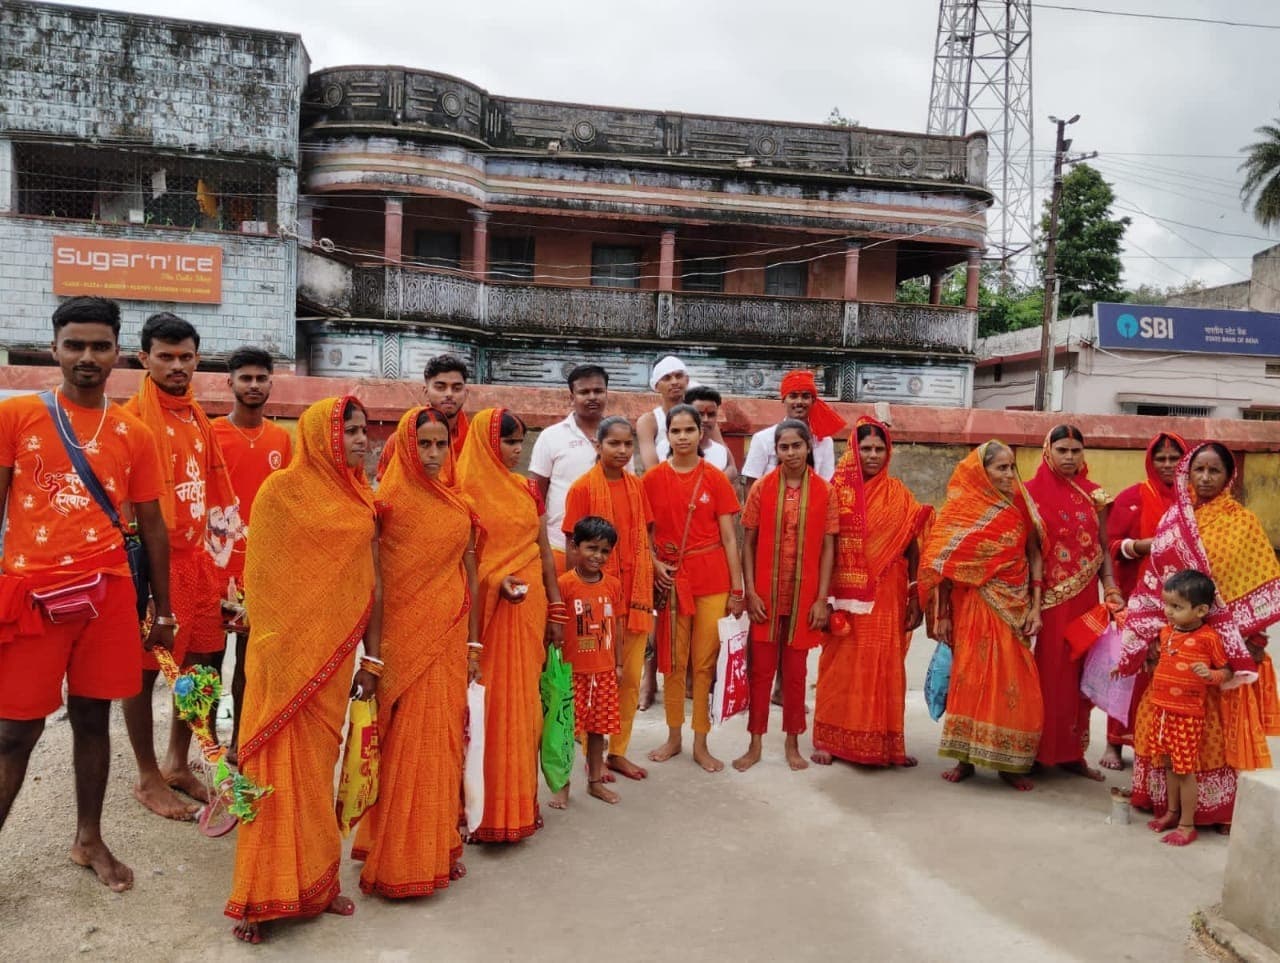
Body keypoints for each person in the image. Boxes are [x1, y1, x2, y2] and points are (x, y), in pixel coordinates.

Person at [0, 296, 173, 893]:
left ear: (117, 353)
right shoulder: (18, 416)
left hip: (107, 596)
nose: (87, 357)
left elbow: (152, 526)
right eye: (74, 344)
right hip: (31, 596)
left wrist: (166, 610)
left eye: (100, 346)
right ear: (54, 349)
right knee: (13, 731)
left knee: (93, 718)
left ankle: (88, 838)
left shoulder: (134, 433)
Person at [225, 396, 383, 944]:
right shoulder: (280, 493)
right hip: (282, 657)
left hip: (335, 657)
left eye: (366, 431)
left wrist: (372, 656)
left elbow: (368, 580)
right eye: (352, 432)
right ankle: (257, 895)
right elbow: (264, 579)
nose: (363, 440)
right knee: (270, 770)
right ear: (322, 436)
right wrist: (277, 653)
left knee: (318, 773)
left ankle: (318, 882)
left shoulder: (363, 496)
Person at [1118, 441, 1280, 832]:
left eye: (1214, 471)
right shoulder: (1173, 519)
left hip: (1224, 645)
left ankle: (1219, 809)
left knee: (1217, 729)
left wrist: (1253, 643)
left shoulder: (1243, 523)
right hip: (1174, 641)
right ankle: (1165, 801)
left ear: (1229, 477)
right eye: (1199, 471)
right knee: (1165, 723)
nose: (1205, 478)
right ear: (1187, 475)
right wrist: (1153, 635)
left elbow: (1257, 582)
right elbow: (1155, 580)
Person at [353, 407, 481, 897]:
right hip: (404, 641)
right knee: (406, 745)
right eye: (423, 444)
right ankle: (399, 862)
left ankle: (437, 845)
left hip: (447, 639)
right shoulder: (387, 502)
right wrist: (375, 653)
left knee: (442, 744)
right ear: (406, 445)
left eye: (440, 445)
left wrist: (471, 640)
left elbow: (464, 568)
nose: (432, 454)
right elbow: (375, 580)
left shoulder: (455, 498)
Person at [123, 313, 243, 820]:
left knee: (202, 666)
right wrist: (144, 586)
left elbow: (215, 498)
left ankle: (178, 761)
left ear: (197, 358)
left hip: (200, 562)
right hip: (155, 566)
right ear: (143, 357)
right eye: (165, 356)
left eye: (185, 357)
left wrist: (227, 565)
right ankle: (148, 775)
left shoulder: (197, 417)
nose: (177, 366)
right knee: (144, 672)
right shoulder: (130, 421)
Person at [456, 407, 563, 842]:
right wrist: (496, 581)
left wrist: (555, 606)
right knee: (487, 710)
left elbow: (543, 550)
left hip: (528, 606)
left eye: (521, 442)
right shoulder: (464, 492)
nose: (517, 450)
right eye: (508, 441)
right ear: (486, 442)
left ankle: (518, 807)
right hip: (487, 614)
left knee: (524, 709)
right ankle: (481, 812)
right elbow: (462, 563)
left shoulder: (528, 490)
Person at [922, 441, 1045, 791]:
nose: (1009, 475)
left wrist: (1035, 606)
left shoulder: (1022, 505)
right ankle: (964, 757)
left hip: (1014, 602)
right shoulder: (962, 509)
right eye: (1001, 468)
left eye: (1011, 468)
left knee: (1016, 681)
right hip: (972, 602)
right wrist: (943, 612)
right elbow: (943, 563)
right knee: (970, 676)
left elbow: (1035, 554)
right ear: (983, 471)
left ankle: (1010, 763)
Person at [812, 417, 933, 768]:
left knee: (885, 665)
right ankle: (829, 739)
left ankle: (885, 741)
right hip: (844, 598)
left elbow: (913, 547)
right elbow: (824, 547)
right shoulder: (835, 491)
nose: (873, 455)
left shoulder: (898, 494)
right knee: (841, 666)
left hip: (888, 594)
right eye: (866, 448)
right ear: (853, 449)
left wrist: (915, 596)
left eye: (880, 449)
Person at [643, 404, 746, 773]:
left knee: (704, 665)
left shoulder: (715, 478)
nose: (683, 437)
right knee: (672, 662)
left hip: (713, 580)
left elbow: (730, 539)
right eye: (676, 431)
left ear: (700, 434)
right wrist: (655, 565)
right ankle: (673, 737)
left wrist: (738, 589)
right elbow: (644, 533)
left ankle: (701, 741)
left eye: (690, 430)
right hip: (671, 581)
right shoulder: (652, 479)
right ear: (666, 436)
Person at [734, 420, 837, 773]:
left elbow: (828, 548)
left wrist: (821, 599)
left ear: (809, 448)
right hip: (766, 595)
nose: (790, 453)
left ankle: (793, 742)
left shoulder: (825, 491)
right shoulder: (762, 488)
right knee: (760, 672)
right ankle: (755, 743)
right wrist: (750, 592)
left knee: (795, 673)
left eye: (797, 446)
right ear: (775, 451)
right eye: (784, 447)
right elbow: (747, 543)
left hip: (804, 597)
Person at [210, 346, 292, 764]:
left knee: (249, 664)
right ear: (230, 382)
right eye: (246, 378)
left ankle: (241, 743)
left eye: (261, 378)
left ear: (271, 383)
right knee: (206, 663)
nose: (254, 385)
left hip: (263, 571)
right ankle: (205, 747)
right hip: (214, 567)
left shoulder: (282, 440)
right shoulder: (210, 435)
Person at [561, 416, 654, 781]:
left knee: (628, 677)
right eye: (613, 443)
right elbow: (573, 547)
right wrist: (572, 598)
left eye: (627, 444)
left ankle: (617, 751)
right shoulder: (582, 488)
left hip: (634, 595)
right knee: (590, 682)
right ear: (597, 446)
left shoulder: (637, 486)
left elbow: (644, 536)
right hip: (593, 602)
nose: (622, 450)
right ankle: (589, 752)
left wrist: (653, 569)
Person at [1023, 425, 1118, 781]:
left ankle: (1072, 753)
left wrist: (1110, 587)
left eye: (1076, 451)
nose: (1069, 457)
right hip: (1043, 600)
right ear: (1048, 451)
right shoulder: (1029, 494)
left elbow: (1104, 546)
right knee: (1046, 675)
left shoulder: (1096, 496)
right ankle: (1033, 753)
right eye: (1062, 450)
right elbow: (1026, 550)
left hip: (1084, 601)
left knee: (1080, 675)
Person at [1100, 431, 1186, 770]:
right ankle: (1114, 744)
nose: (1167, 464)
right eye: (1160, 458)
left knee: (1169, 677)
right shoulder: (1132, 496)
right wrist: (1142, 546)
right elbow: (1108, 545)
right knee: (1127, 673)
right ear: (1150, 461)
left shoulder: (1194, 500)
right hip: (1136, 600)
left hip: (1181, 606)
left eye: (1174, 458)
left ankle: (1156, 747)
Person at [1131, 570, 1232, 847]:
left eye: (1177, 607)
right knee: (1167, 765)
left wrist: (1208, 675)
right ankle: (1172, 813)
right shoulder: (1165, 632)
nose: (1169, 612)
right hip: (1161, 711)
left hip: (1188, 715)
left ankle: (1188, 824)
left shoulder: (1208, 638)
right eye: (1167, 605)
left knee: (1184, 770)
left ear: (1201, 610)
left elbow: (1225, 672)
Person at [551, 516, 625, 807]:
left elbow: (617, 628)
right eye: (591, 548)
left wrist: (618, 665)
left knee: (598, 730)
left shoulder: (614, 586)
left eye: (605, 551)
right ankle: (562, 785)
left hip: (604, 671)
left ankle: (595, 781)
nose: (598, 556)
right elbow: (554, 631)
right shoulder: (563, 585)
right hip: (572, 671)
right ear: (574, 547)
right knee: (566, 731)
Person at [528, 364, 609, 572]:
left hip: (607, 547)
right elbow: (535, 493)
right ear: (571, 398)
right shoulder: (551, 436)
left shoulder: (618, 438)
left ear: (607, 394)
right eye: (584, 392)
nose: (592, 397)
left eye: (598, 391)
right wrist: (538, 542)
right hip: (559, 543)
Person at [740, 369, 844, 487]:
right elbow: (752, 484)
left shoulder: (824, 441)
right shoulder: (762, 438)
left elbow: (827, 485)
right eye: (793, 396)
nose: (799, 402)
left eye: (805, 396)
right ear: (783, 399)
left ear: (813, 400)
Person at [636, 355, 689, 470]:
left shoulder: (701, 414)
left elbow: (729, 464)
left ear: (687, 380)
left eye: (679, 376)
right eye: (667, 378)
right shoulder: (649, 421)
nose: (674, 382)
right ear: (656, 386)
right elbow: (651, 468)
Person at [684, 385, 739, 482]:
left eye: (711, 414)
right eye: (700, 414)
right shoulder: (667, 447)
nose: (705, 420)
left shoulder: (721, 452)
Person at [423, 354, 471, 456]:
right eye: (440, 387)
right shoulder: (405, 438)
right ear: (426, 392)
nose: (449, 394)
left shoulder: (476, 442)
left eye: (457, 388)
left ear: (466, 393)